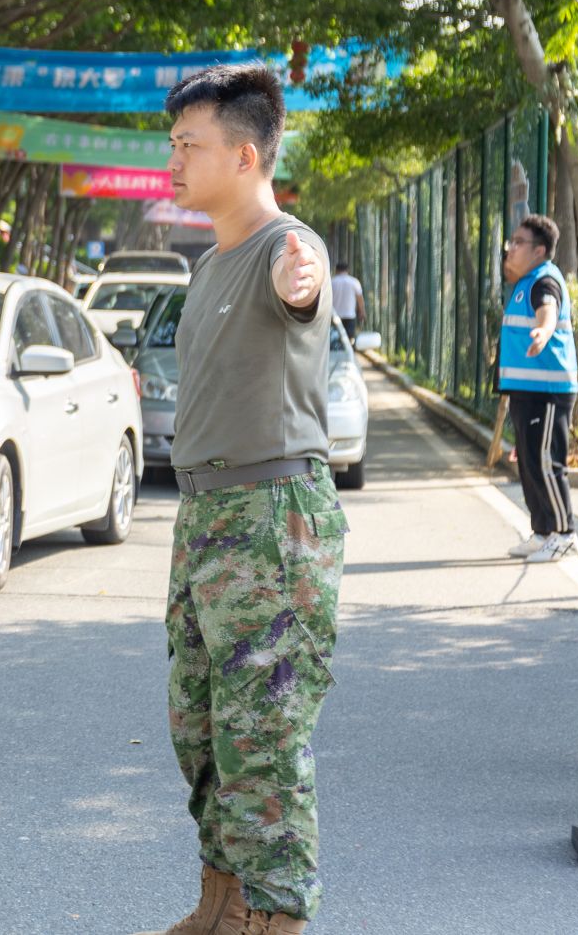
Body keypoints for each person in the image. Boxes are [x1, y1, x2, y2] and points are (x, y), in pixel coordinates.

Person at [134, 62, 344, 935]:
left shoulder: (285, 247)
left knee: (264, 733)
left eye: (190, 144)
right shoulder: (211, 262)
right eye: (173, 143)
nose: (174, 160)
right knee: (200, 725)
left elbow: (304, 290)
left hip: (271, 517)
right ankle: (223, 901)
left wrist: (306, 283)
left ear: (246, 155)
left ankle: (275, 916)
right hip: (207, 515)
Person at [499, 214, 578, 562]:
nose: (511, 248)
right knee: (530, 464)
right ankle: (543, 531)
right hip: (526, 389)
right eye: (512, 241)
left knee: (547, 463)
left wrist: (544, 332)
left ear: (539, 250)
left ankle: (565, 533)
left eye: (519, 242)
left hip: (547, 390)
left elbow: (548, 309)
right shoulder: (526, 281)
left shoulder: (544, 281)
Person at [329, 256, 364, 342]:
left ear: (336, 270)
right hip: (349, 315)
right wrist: (362, 312)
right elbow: (360, 299)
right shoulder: (354, 282)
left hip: (334, 316)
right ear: (347, 270)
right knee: (349, 341)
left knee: (334, 341)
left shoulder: (331, 282)